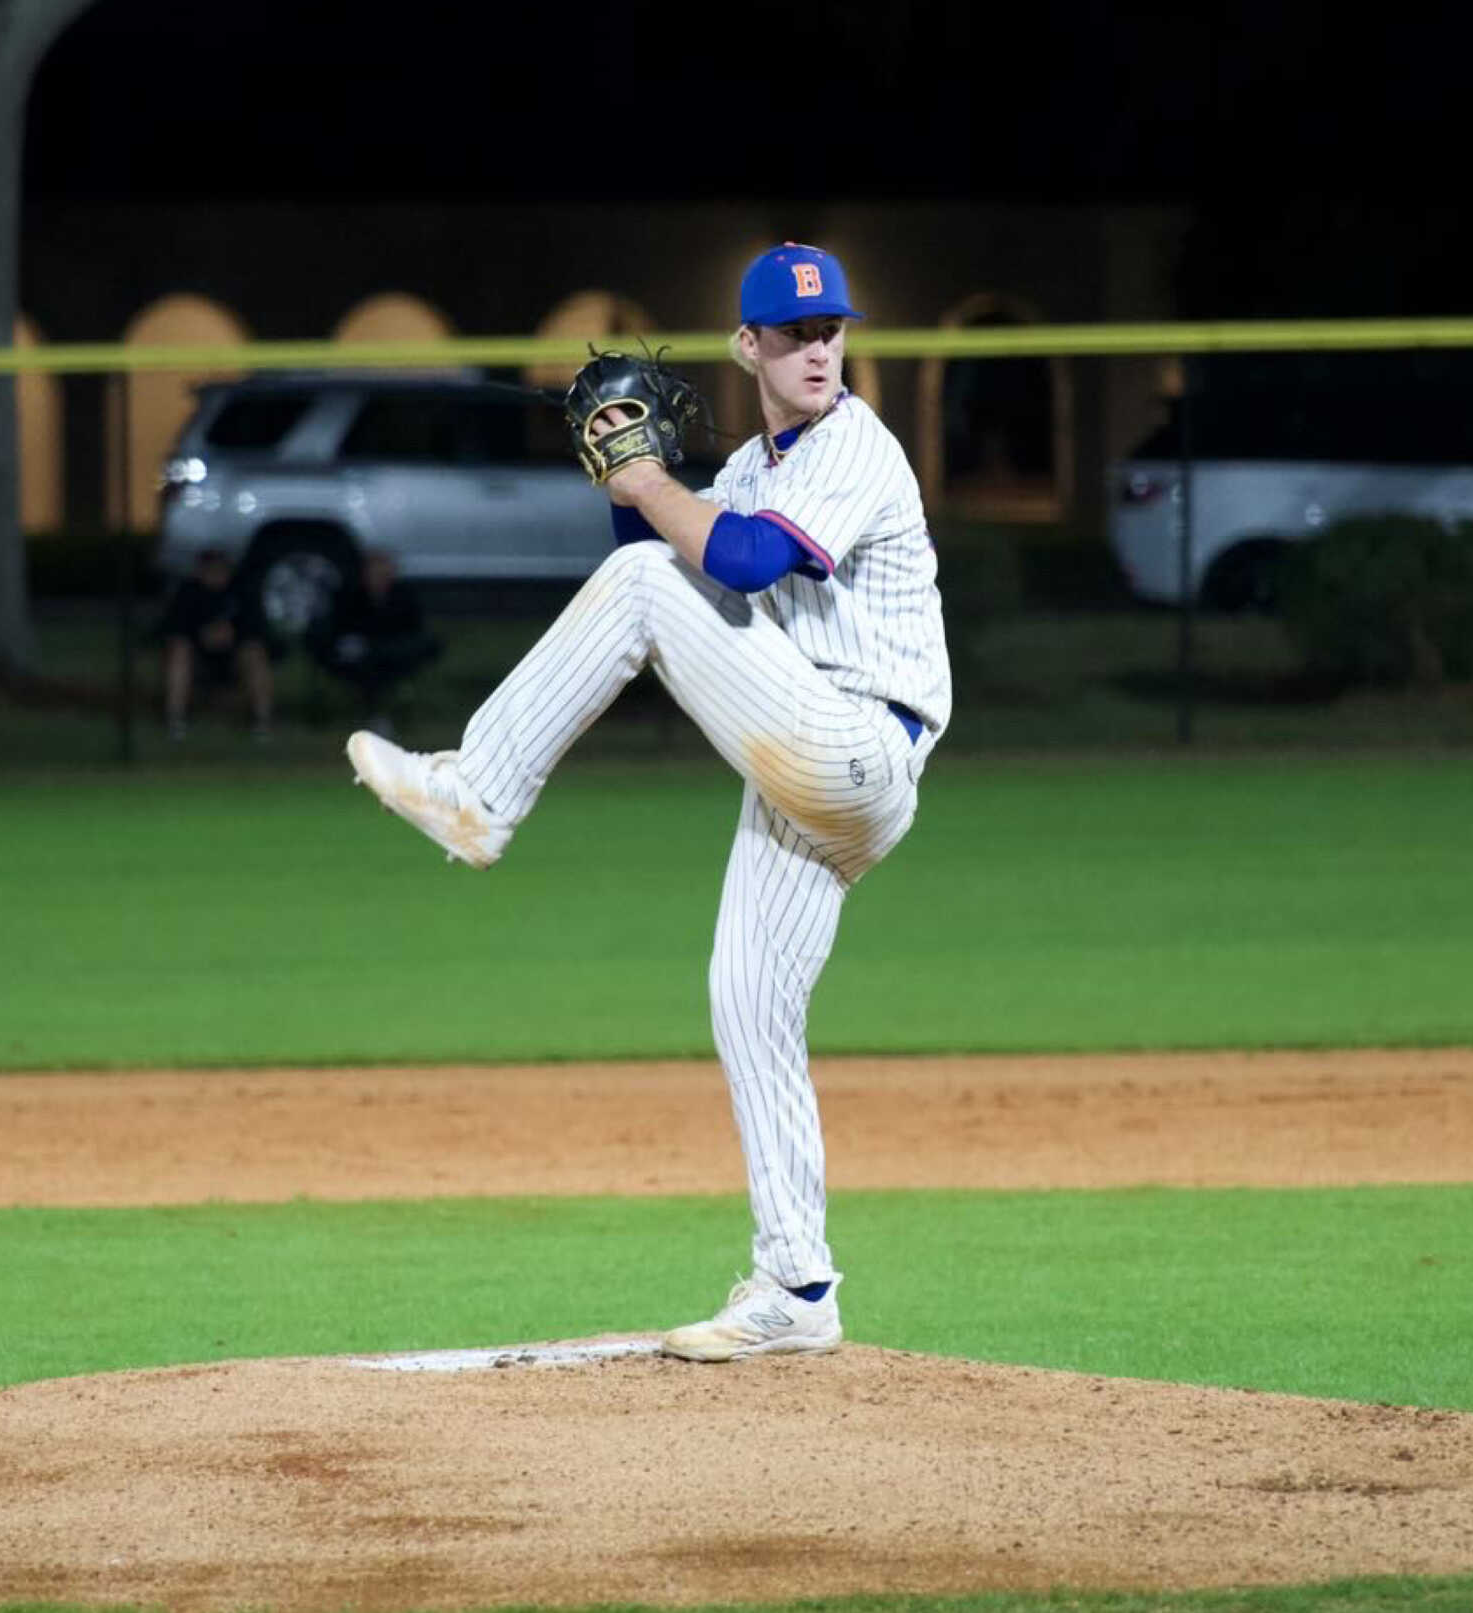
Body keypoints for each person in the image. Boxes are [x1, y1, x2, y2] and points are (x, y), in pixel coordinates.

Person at [344, 243, 951, 1361]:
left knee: (639, 583)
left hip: (858, 745)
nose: (819, 349)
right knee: (746, 998)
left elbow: (750, 562)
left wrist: (646, 481)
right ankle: (797, 1285)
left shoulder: (854, 446)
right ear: (748, 347)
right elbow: (670, 552)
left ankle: (477, 791)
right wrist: (629, 478)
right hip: (808, 773)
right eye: (794, 333)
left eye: (832, 331)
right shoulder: (759, 467)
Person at [304, 547, 438, 737]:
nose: (378, 575)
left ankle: (378, 713)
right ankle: (372, 714)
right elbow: (333, 630)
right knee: (364, 664)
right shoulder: (348, 596)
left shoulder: (404, 597)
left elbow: (416, 632)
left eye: (383, 569)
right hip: (356, 659)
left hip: (394, 656)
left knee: (384, 662)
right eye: (373, 570)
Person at [160, 546, 275, 740]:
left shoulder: (242, 591)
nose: (216, 575)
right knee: (179, 652)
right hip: (197, 658)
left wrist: (233, 635)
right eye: (210, 570)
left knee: (254, 653)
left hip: (234, 656)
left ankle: (262, 721)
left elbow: (257, 631)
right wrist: (201, 636)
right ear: (200, 571)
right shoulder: (189, 592)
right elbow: (174, 630)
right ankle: (175, 720)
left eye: (220, 570)